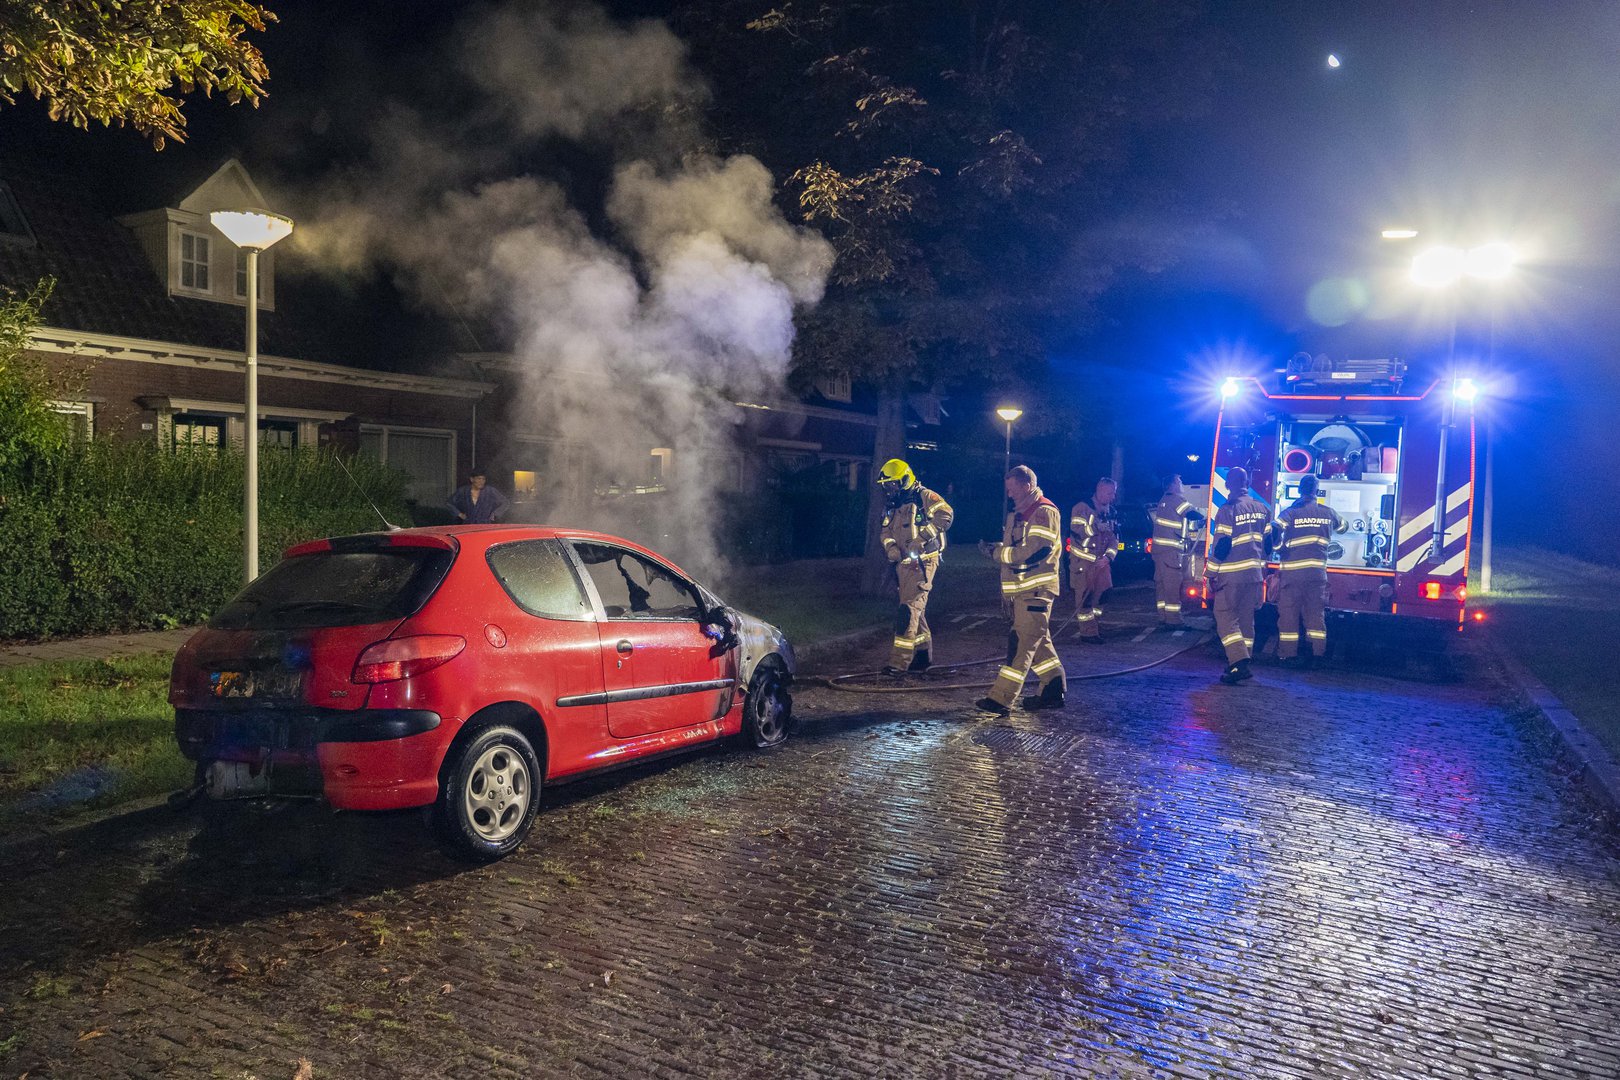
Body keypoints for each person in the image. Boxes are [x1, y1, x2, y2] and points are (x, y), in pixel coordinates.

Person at [976, 466, 1066, 714]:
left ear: (1026, 486)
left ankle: (1001, 699)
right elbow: (1021, 547)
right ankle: (1052, 689)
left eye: (1013, 489)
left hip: (1036, 592)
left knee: (1020, 646)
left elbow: (1035, 551)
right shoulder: (1023, 513)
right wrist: (999, 548)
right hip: (1026, 594)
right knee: (1038, 643)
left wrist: (998, 553)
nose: (1010, 494)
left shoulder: (1043, 512)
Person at [876, 458, 955, 675]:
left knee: (908, 611)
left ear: (904, 480)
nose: (889, 489)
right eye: (886, 485)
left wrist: (921, 538)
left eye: (892, 484)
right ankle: (922, 655)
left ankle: (898, 663)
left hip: (924, 562)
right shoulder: (892, 506)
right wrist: (891, 548)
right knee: (915, 610)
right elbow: (885, 532)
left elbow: (946, 515)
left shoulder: (925, 496)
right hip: (902, 565)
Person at [1268, 473, 1347, 667]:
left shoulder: (1291, 512)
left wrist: (1278, 549)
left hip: (1293, 574)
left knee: (1288, 615)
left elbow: (1274, 529)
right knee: (1315, 616)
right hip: (1317, 574)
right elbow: (1344, 527)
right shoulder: (1328, 512)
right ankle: (1317, 655)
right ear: (1316, 491)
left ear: (1300, 490)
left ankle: (1288, 655)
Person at [1206, 466, 1269, 684]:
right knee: (1246, 619)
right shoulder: (1262, 508)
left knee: (1225, 618)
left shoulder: (1227, 509)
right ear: (1248, 483)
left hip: (1232, 576)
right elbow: (1268, 544)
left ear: (1227, 485)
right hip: (1254, 576)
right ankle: (1244, 660)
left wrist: (1210, 573)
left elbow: (1222, 545)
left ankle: (1238, 663)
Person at [1147, 474, 1204, 629]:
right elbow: (1192, 514)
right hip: (1170, 552)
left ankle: (1163, 617)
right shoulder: (1176, 500)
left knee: (1161, 586)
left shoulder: (1164, 500)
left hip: (1159, 552)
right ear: (1172, 485)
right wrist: (1206, 517)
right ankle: (1174, 621)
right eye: (1179, 481)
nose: (1182, 484)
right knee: (1172, 586)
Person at [1068, 477, 1119, 643]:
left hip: (1102, 563)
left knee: (1104, 594)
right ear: (1100, 490)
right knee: (1085, 599)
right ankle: (1088, 633)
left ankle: (1094, 625)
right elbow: (1077, 531)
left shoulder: (1111, 511)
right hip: (1084, 563)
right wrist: (1096, 526)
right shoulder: (1081, 508)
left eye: (1114, 493)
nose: (1112, 497)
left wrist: (1108, 558)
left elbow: (1114, 540)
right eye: (1110, 493)